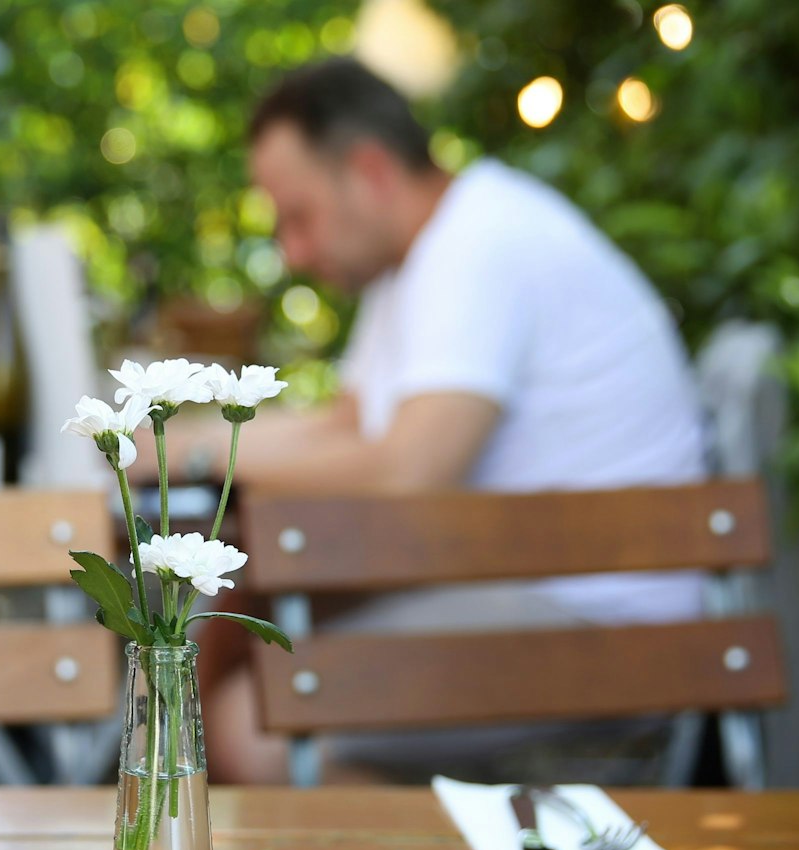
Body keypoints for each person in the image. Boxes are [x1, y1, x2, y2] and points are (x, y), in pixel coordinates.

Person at [204, 57, 708, 782]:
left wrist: (195, 459)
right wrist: (172, 437)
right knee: (238, 645)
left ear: (370, 172)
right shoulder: (417, 262)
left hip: (603, 619)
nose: (293, 251)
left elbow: (408, 471)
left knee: (248, 719)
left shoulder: (477, 243)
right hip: (531, 587)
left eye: (300, 216)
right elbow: (344, 426)